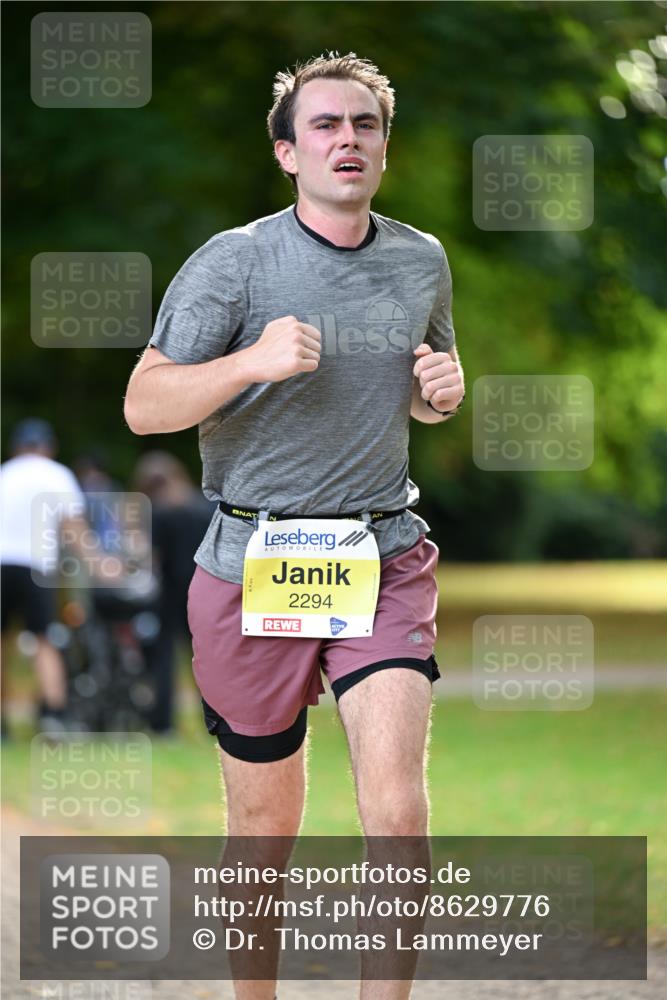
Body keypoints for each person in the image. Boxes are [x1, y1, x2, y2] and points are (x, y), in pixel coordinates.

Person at [124, 52, 464, 998]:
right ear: (286, 151)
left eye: (363, 125)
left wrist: (440, 395)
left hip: (380, 554)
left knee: (396, 813)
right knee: (263, 830)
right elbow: (145, 405)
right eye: (324, 125)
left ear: (383, 149)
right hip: (249, 562)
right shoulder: (233, 261)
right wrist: (250, 362)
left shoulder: (421, 259)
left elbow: (421, 388)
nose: (345, 140)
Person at [0, 419, 86, 735]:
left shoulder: (5, 474)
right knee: (44, 640)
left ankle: (2, 724)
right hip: (35, 565)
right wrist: (101, 564)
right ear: (48, 447)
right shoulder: (57, 474)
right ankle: (53, 714)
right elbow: (73, 528)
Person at [132, 450, 216, 733]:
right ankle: (214, 721)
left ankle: (163, 723)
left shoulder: (159, 511)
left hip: (169, 593)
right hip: (205, 589)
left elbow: (149, 557)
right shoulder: (204, 506)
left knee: (164, 658)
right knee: (207, 659)